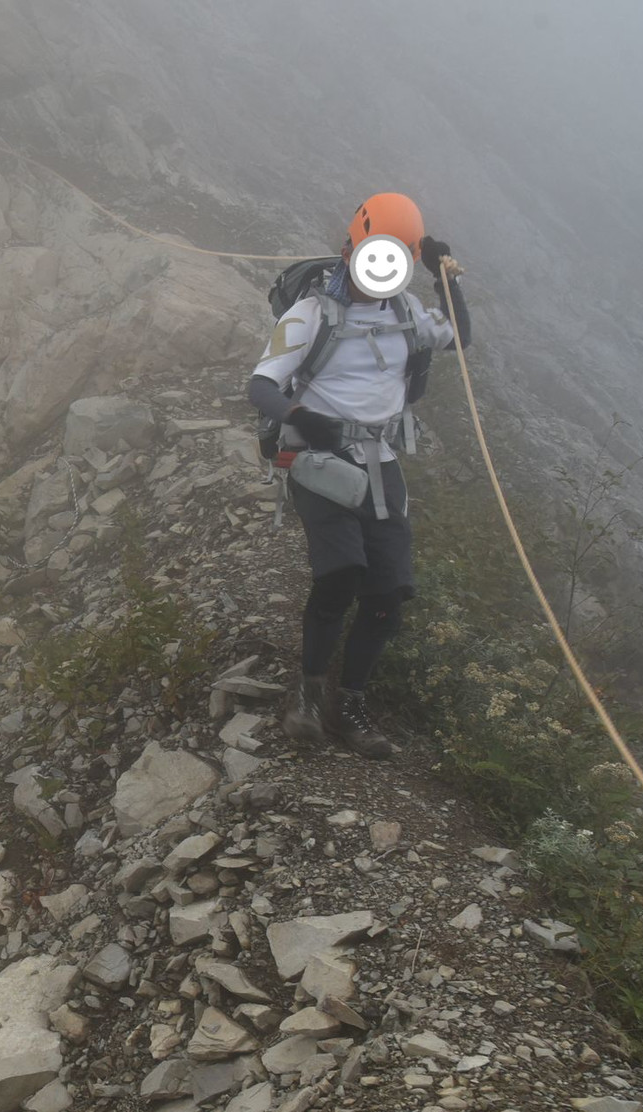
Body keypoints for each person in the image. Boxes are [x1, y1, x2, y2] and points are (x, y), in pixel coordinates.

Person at [247, 192, 470, 758]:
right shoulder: (311, 314)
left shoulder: (408, 313)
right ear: (351, 250)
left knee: (388, 593)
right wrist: (300, 417)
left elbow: (459, 338)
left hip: (380, 462)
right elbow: (262, 385)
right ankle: (307, 695)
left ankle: (349, 704)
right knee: (341, 574)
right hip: (319, 460)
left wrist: (444, 277)